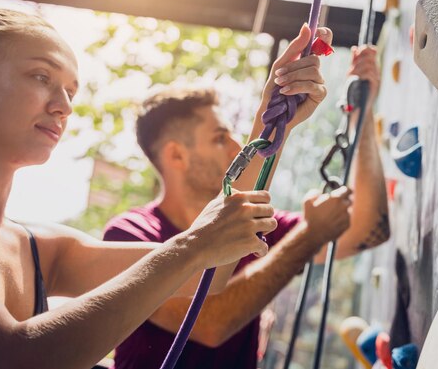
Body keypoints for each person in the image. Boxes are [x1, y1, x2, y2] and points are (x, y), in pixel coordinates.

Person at [0, 8, 332, 369]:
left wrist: (272, 123)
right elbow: (10, 360)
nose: (63, 106)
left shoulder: (40, 247)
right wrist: (194, 246)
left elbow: (209, 272)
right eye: (41, 77)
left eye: (70, 91)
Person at [103, 45, 389, 368]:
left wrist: (359, 117)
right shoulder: (129, 235)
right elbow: (208, 322)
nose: (237, 146)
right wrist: (308, 236)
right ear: (176, 156)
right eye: (220, 138)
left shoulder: (251, 222)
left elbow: (367, 229)